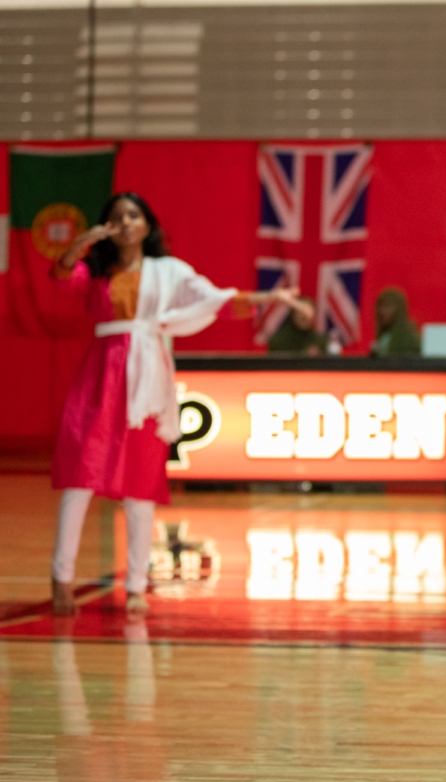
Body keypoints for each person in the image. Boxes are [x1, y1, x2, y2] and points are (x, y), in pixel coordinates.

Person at [49, 192, 297, 617]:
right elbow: (62, 276)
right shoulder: (96, 271)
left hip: (147, 380)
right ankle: (61, 577)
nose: (126, 222)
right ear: (107, 226)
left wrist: (269, 299)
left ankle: (136, 584)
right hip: (101, 378)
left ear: (147, 225)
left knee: (140, 482)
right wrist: (83, 242)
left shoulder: (168, 271)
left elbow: (213, 299)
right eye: (117, 217)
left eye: (134, 215)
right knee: (80, 477)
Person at [369, 287, 421, 357]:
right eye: (380, 306)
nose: (382, 311)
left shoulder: (409, 338)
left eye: (388, 306)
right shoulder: (383, 336)